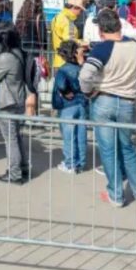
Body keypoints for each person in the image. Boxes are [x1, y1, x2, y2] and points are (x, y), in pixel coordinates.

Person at [80, 8, 136, 207]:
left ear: (101, 30)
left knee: (108, 150)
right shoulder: (134, 45)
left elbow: (85, 75)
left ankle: (116, 194)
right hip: (127, 100)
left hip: (104, 99)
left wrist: (88, 91)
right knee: (127, 148)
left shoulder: (102, 49)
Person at [0, 22, 30, 184]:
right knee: (17, 136)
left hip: (8, 102)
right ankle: (22, 167)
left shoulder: (5, 58)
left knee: (10, 139)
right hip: (19, 98)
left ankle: (14, 172)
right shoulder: (19, 52)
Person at [53, 40, 88, 174]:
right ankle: (81, 162)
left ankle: (70, 163)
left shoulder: (63, 69)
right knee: (81, 133)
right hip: (82, 103)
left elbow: (61, 85)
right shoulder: (82, 67)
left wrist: (66, 92)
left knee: (69, 135)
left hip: (68, 105)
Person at [50, 0, 84, 69]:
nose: (80, 13)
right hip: (67, 62)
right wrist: (83, 42)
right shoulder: (68, 22)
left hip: (58, 59)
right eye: (80, 10)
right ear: (74, 8)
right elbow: (70, 42)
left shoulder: (57, 17)